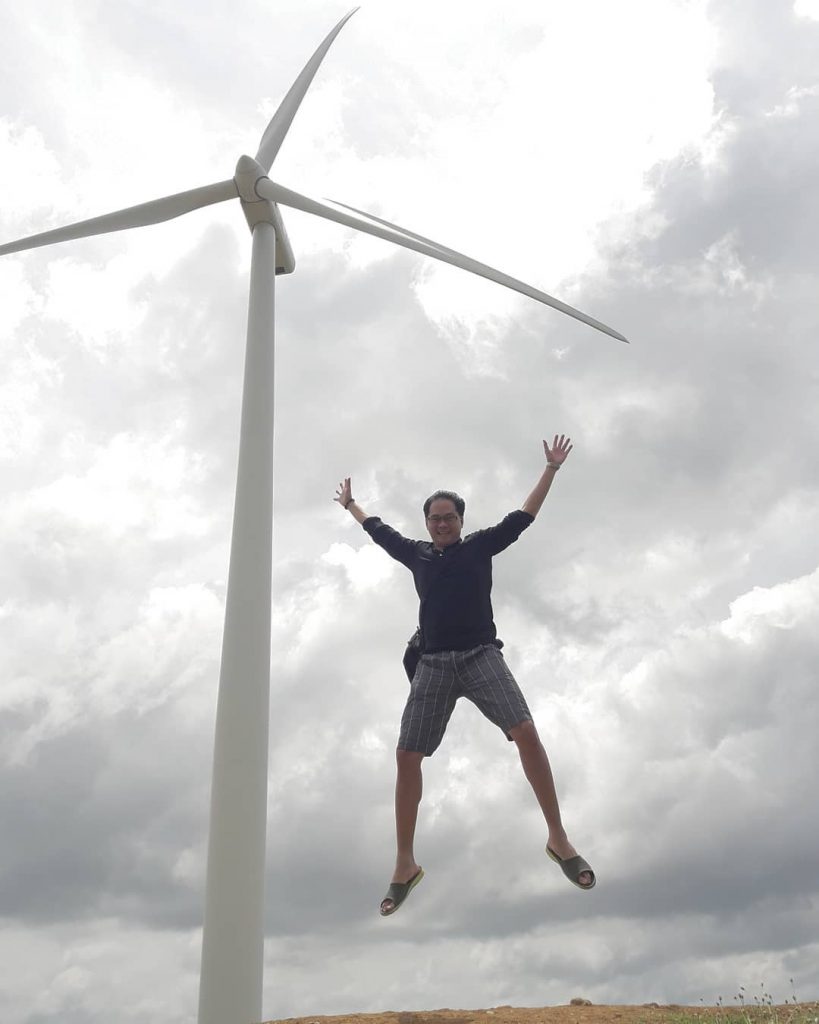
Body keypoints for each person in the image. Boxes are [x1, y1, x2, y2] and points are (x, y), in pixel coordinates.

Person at [334, 435, 594, 916]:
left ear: (461, 520)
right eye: (434, 518)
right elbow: (377, 529)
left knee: (526, 730)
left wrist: (551, 471)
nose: (441, 524)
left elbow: (524, 517)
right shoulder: (417, 553)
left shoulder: (478, 548)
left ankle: (558, 837)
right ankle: (404, 863)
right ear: (427, 523)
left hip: (480, 657)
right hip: (433, 664)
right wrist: (351, 505)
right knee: (406, 755)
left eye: (449, 517)